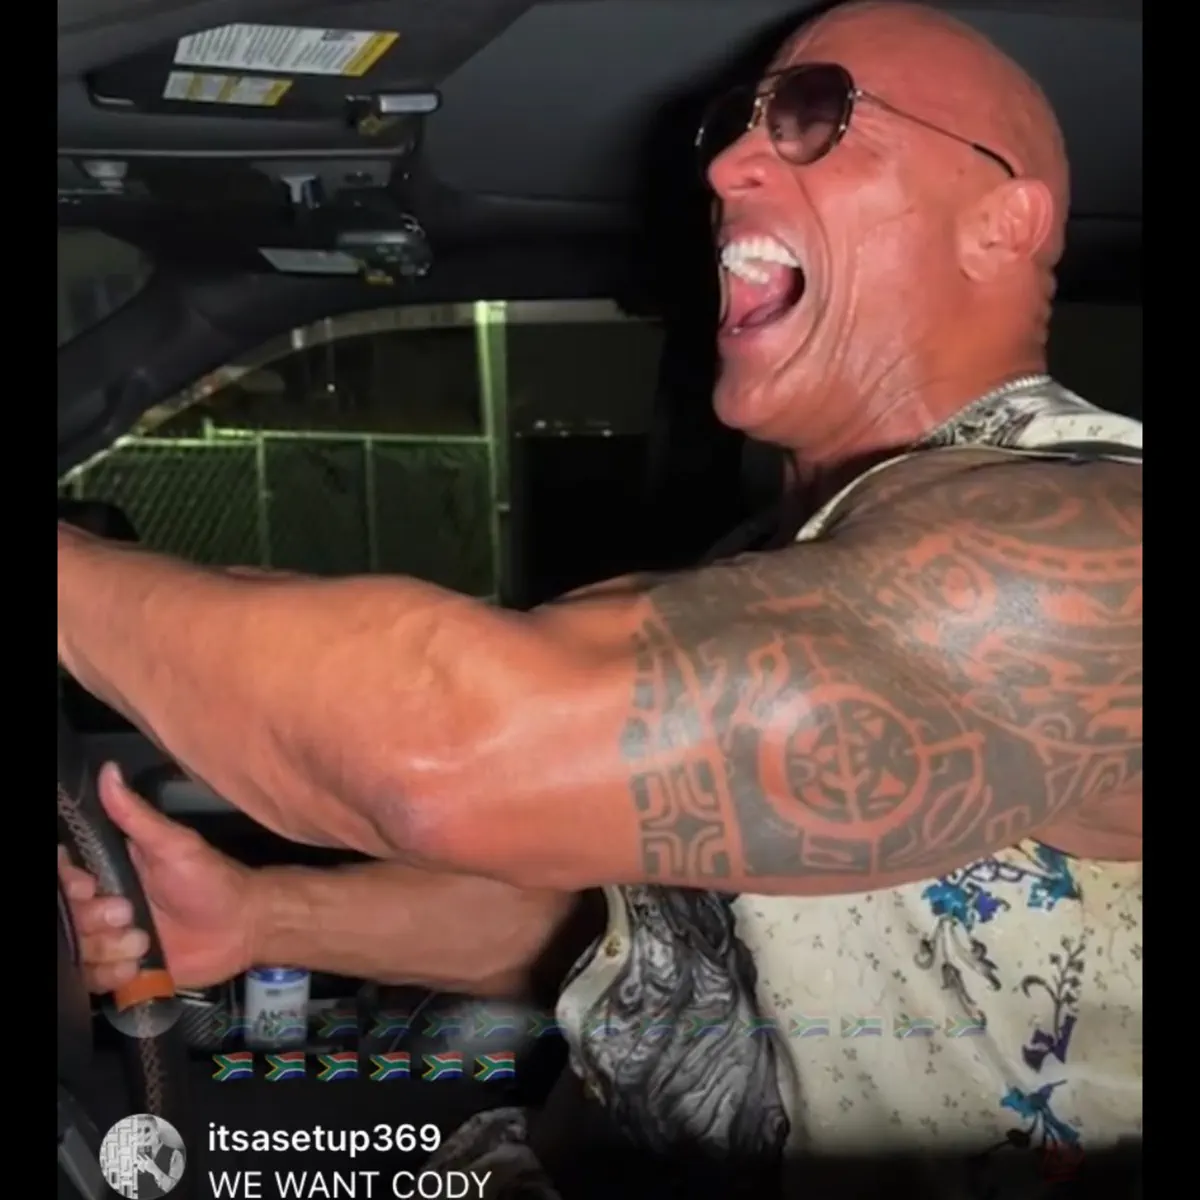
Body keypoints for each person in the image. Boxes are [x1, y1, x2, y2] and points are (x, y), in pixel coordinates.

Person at [58, 2, 1141, 1196]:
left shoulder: (1095, 556)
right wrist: (261, 920)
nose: (726, 168)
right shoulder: (787, 564)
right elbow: (645, 946)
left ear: (1004, 221)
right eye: (734, 128)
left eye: (814, 116)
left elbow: (450, 753)